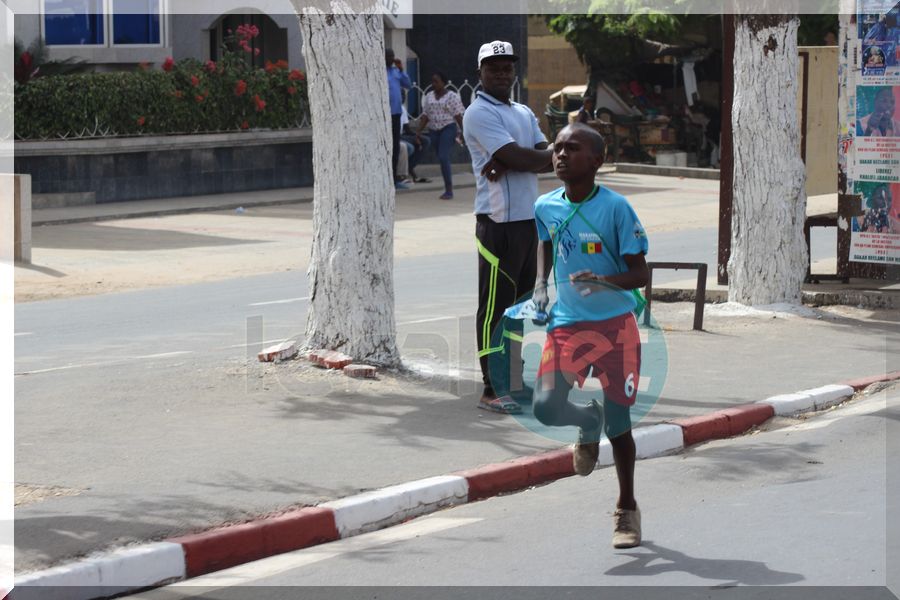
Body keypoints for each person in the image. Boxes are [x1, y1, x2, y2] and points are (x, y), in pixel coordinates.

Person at [531, 123, 649, 549]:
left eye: (573, 149)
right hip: (566, 325)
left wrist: (603, 279)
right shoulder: (545, 204)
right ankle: (586, 421)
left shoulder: (616, 209)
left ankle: (626, 509)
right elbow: (546, 241)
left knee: (620, 427)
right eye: (557, 148)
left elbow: (640, 274)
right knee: (545, 407)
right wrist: (541, 284)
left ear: (597, 161)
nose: (560, 155)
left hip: (616, 328)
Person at [463, 40, 553, 414]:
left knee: (517, 308)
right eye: (493, 67)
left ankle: (513, 380)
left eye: (507, 67)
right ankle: (492, 387)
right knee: (494, 310)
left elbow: (548, 156)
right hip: (497, 224)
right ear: (480, 72)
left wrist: (520, 160)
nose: (501, 73)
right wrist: (519, 158)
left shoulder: (522, 111)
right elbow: (521, 155)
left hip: (526, 222)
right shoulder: (478, 113)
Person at [417, 72, 466, 199]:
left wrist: (464, 132)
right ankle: (447, 187)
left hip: (448, 128)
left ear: (443, 83)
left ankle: (449, 190)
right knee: (441, 157)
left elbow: (458, 116)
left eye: (436, 81)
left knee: (443, 156)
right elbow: (425, 115)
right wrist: (418, 132)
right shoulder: (429, 96)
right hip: (434, 130)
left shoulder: (452, 96)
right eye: (432, 81)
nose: (434, 84)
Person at [386, 48, 412, 190]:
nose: (391, 58)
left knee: (395, 147)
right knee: (387, 147)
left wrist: (402, 69)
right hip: (385, 116)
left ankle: (394, 179)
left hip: (396, 114)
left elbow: (407, 84)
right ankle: (386, 178)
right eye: (388, 56)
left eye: (392, 56)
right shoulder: (379, 72)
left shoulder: (396, 72)